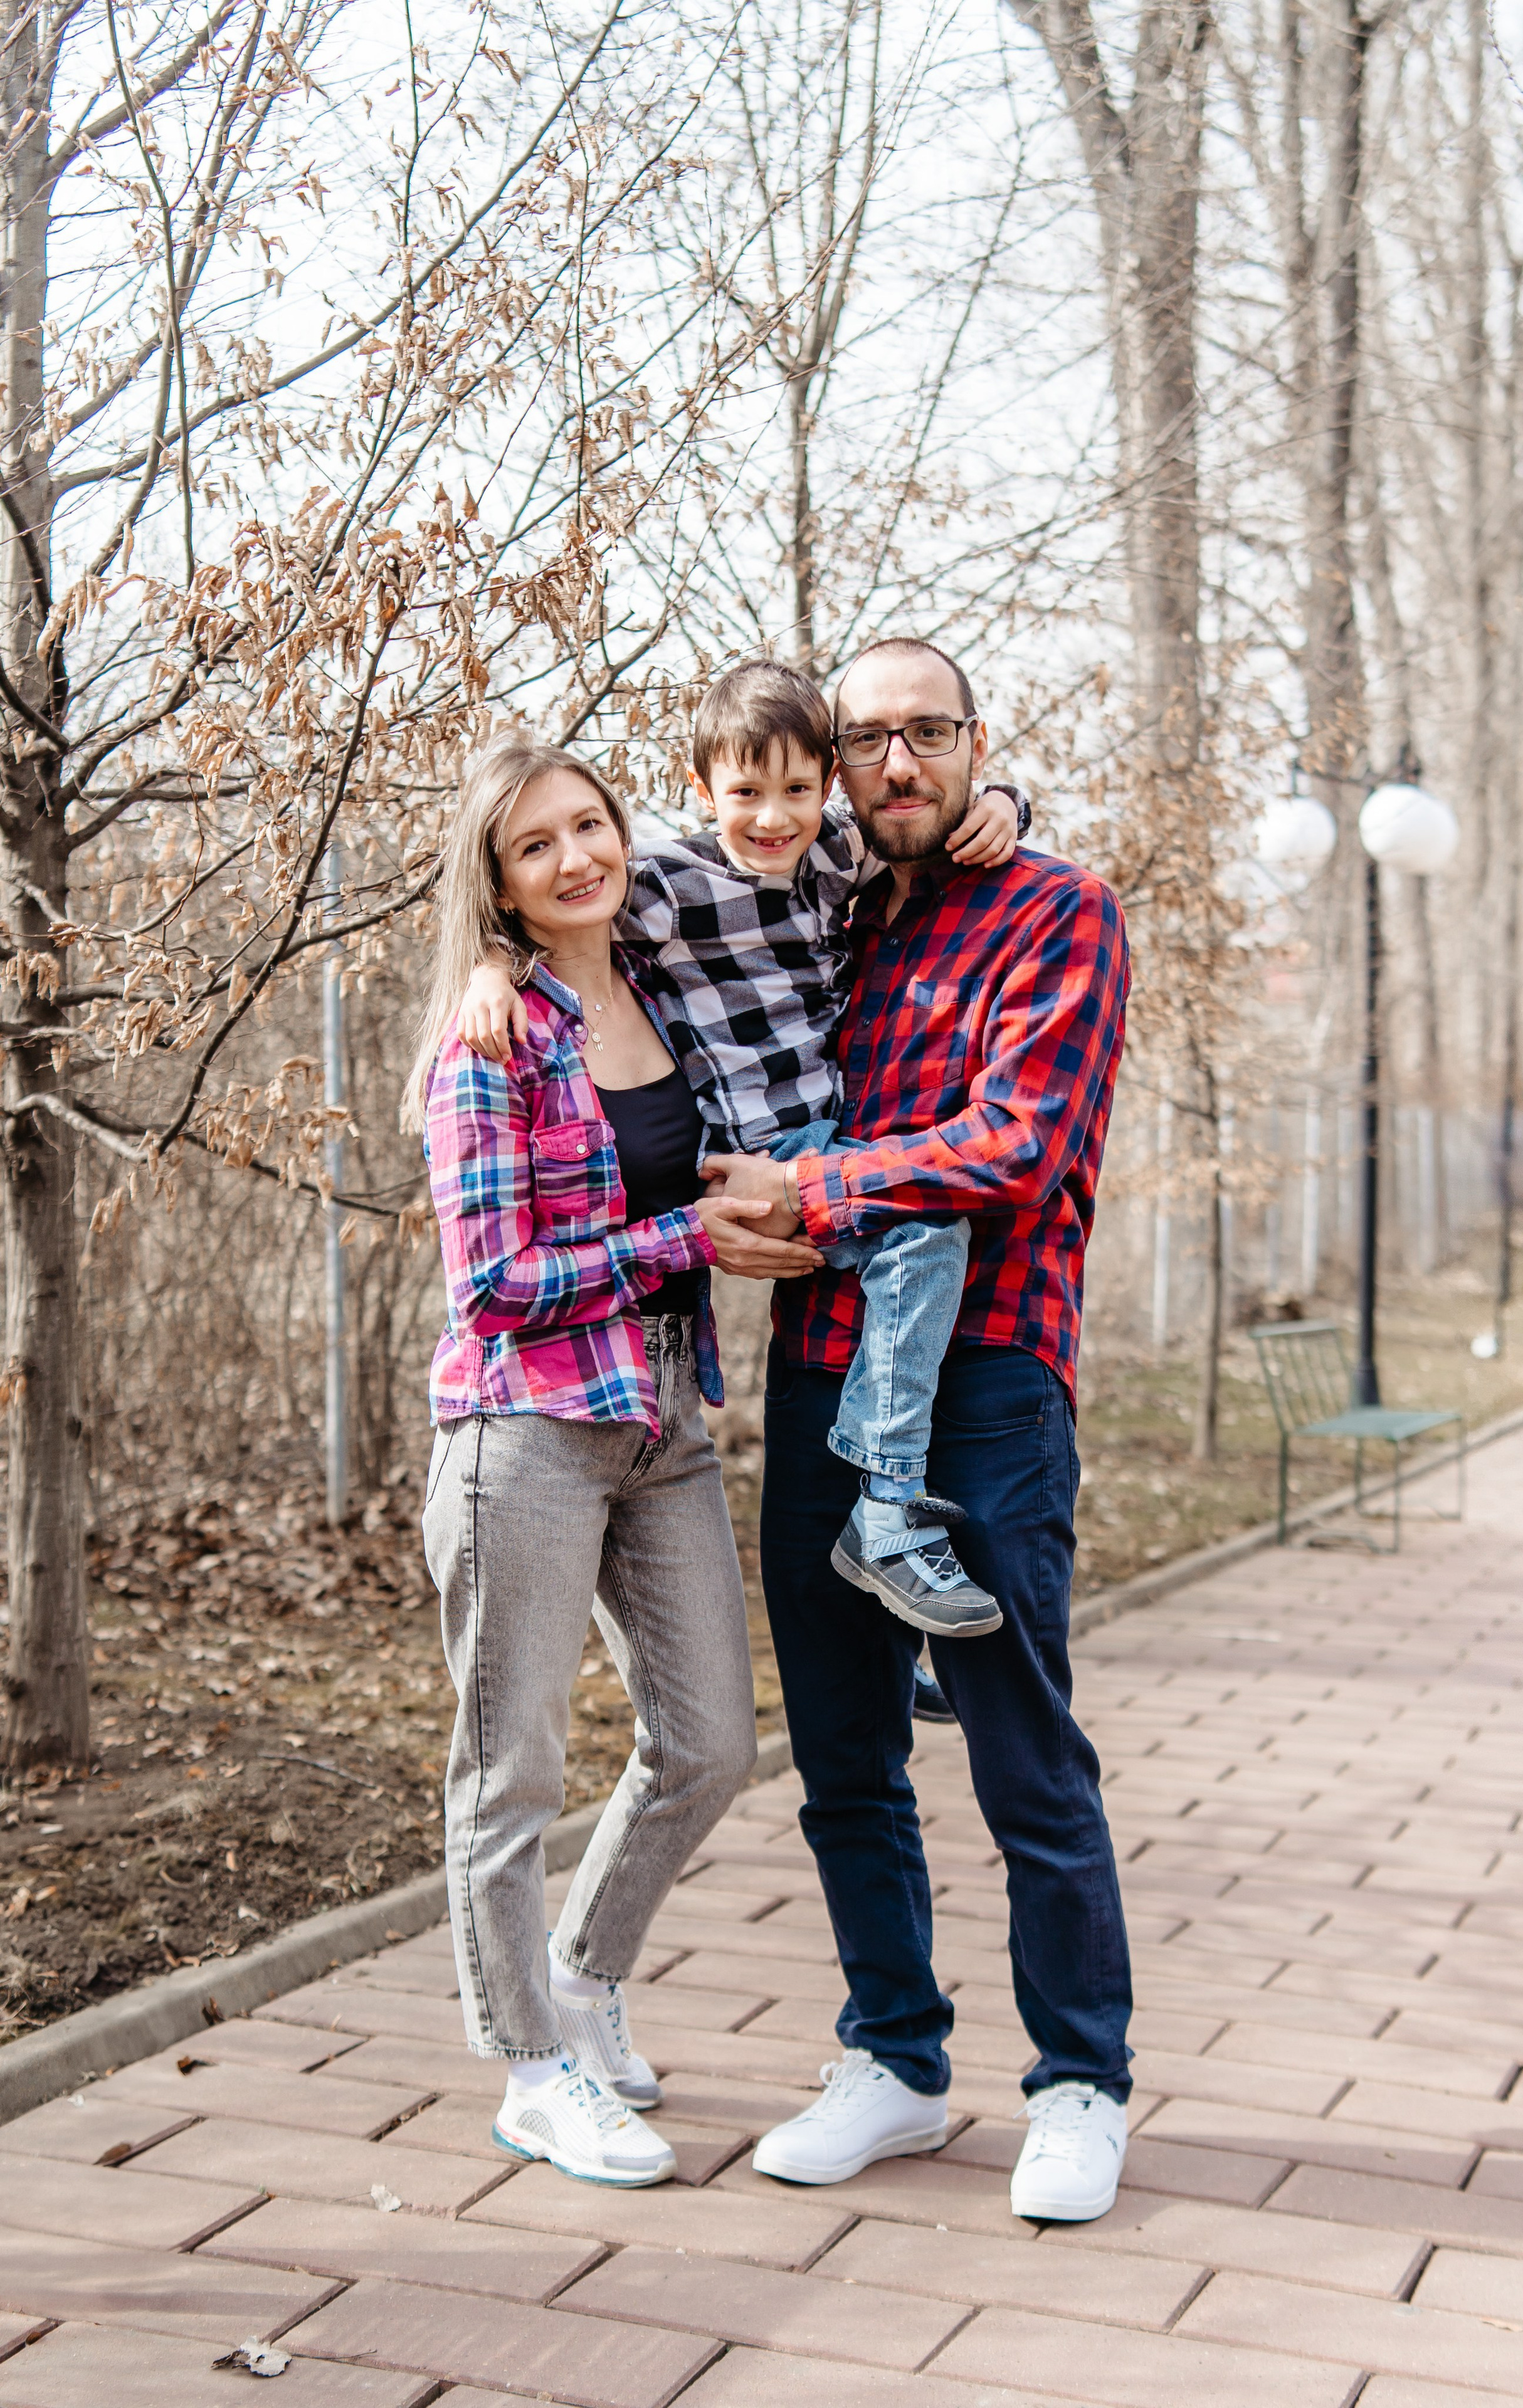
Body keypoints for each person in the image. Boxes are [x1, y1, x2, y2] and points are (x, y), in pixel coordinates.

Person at [709, 638, 1135, 2224]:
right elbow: (613, 906)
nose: (896, 764)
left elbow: (1013, 1143)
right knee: (841, 1758)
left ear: (973, 743)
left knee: (1027, 1757)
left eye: (927, 736)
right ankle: (892, 2057)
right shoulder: (818, 910)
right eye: (865, 739)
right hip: (822, 1375)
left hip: (993, 1389)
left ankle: (1080, 2081)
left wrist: (812, 1190)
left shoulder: (1056, 909)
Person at [403, 730, 821, 2189]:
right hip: (521, 1428)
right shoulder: (490, 1037)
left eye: (590, 824)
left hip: (661, 1419)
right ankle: (531, 2069)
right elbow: (494, 1280)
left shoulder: (659, 980)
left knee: (709, 1741)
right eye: (536, 845)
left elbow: (798, 849)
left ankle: (580, 1974)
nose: (577, 856)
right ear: (500, 885)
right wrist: (681, 1239)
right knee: (506, 1772)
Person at [457, 658, 1029, 1638]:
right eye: (745, 795)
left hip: (824, 1135)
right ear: (701, 792)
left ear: (827, 787)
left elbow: (921, 811)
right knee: (926, 1240)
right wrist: (491, 966)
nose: (772, 818)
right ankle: (889, 1513)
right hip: (761, 1140)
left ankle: (903, 1593)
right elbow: (564, 906)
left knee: (903, 1294)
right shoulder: (676, 884)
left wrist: (1010, 798)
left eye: (798, 791)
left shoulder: (833, 855)